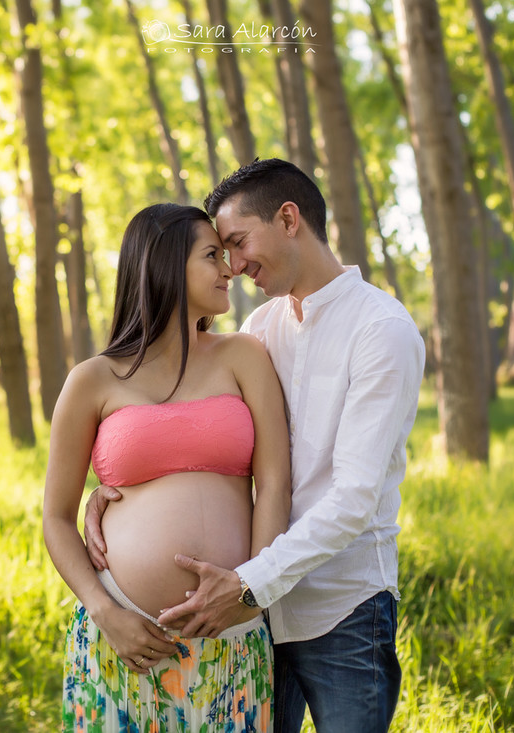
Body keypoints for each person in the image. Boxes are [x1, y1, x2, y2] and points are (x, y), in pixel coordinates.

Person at [86, 159, 426, 733]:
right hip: (250, 619)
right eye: (222, 252)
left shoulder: (380, 330)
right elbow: (209, 441)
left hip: (338, 607)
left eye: (239, 243)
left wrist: (249, 586)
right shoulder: (262, 329)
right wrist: (117, 495)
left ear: (289, 219)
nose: (235, 266)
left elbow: (354, 499)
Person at [42, 202, 292, 731]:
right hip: (124, 640)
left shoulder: (243, 356)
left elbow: (274, 484)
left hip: (231, 636)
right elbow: (57, 518)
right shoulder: (92, 380)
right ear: (164, 266)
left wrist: (251, 595)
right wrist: (105, 613)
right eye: (212, 256)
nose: (230, 269)